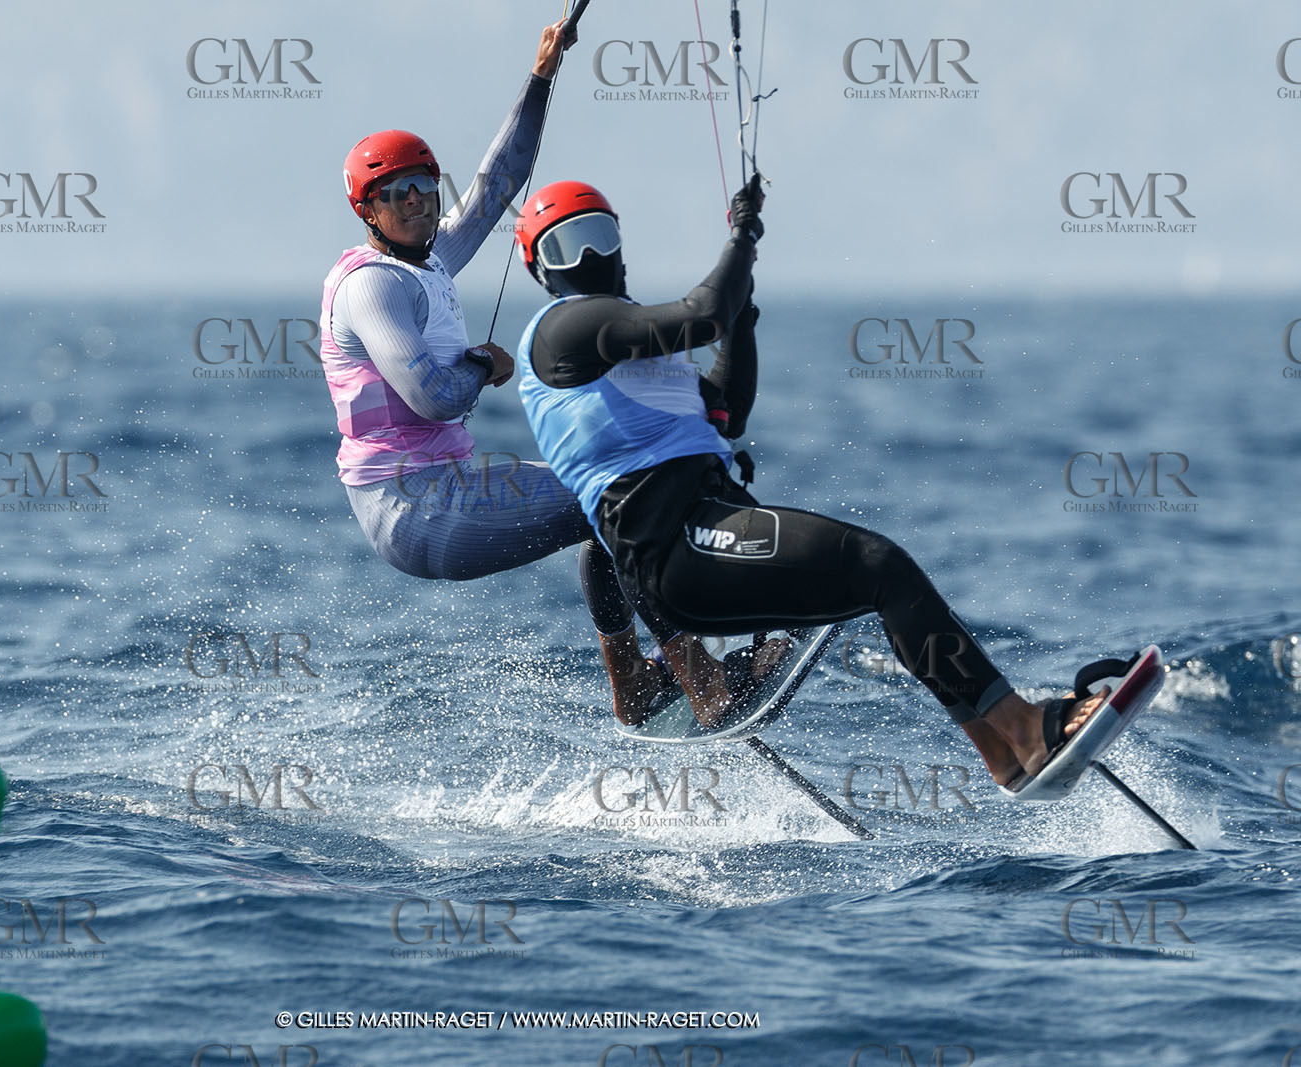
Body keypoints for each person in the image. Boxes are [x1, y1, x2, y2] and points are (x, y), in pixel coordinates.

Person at [511, 175, 1117, 787]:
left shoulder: (639, 353)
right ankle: (1022, 727)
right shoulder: (565, 328)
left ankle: (1002, 750)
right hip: (676, 551)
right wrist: (743, 236)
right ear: (540, 268)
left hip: (705, 530)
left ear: (620, 242)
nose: (589, 256)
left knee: (880, 578)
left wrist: (742, 318)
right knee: (879, 564)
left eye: (599, 235)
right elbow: (702, 314)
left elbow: (726, 411)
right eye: (567, 246)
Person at [320, 19, 723, 723]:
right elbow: (434, 396)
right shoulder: (371, 286)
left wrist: (542, 74)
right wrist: (484, 363)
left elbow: (500, 179)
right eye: (394, 192)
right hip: (410, 508)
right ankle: (703, 680)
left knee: (612, 494)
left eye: (422, 185)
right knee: (618, 498)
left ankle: (636, 682)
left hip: (446, 486)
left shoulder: (430, 258)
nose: (414, 199)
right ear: (368, 210)